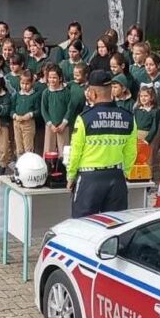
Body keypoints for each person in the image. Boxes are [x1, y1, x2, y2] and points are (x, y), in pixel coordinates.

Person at [67, 70, 138, 218]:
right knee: (116, 225)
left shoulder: (84, 119)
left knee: (82, 224)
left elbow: (75, 152)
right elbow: (131, 152)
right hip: (116, 177)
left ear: (92, 93)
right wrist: (123, 172)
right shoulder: (128, 117)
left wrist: (71, 176)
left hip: (89, 178)